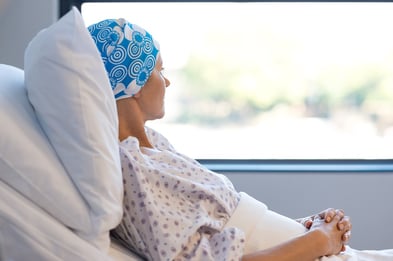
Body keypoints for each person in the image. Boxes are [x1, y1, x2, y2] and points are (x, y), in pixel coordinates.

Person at [88, 19, 392, 261]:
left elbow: (221, 226)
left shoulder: (154, 145)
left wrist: (306, 227)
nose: (167, 80)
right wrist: (319, 240)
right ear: (135, 82)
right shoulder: (130, 166)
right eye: (158, 69)